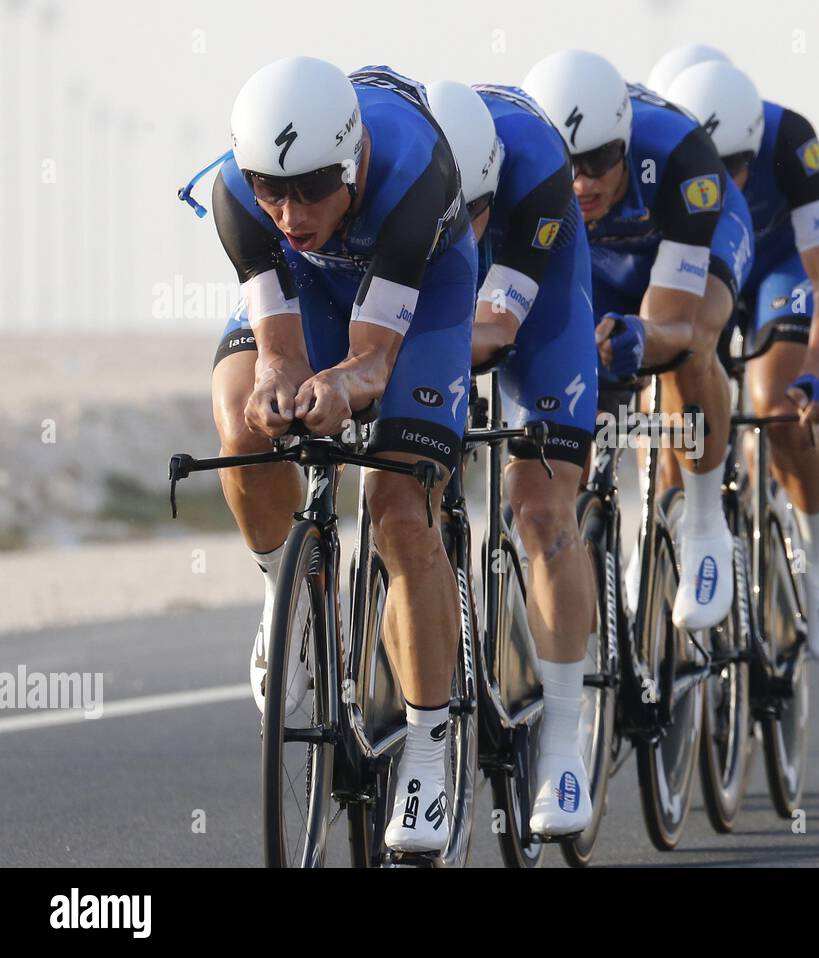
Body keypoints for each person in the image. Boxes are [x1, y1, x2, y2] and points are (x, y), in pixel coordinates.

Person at [193, 58, 475, 853]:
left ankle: (426, 746)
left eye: (312, 188)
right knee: (246, 429)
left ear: (353, 160)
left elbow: (372, 363)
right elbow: (278, 351)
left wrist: (342, 387)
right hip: (309, 285)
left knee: (398, 510)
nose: (288, 210)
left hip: (423, 295)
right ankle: (283, 595)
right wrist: (279, 386)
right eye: (271, 190)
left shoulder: (417, 170)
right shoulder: (236, 197)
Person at [523, 50, 754, 631]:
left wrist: (641, 336)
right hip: (597, 257)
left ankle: (704, 521)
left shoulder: (681, 155)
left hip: (689, 235)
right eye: (564, 165)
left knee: (689, 350)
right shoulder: (521, 166)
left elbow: (674, 327)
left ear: (624, 143)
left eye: (598, 161)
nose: (580, 182)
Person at [425, 80, 598, 836]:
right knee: (397, 484)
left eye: (474, 218)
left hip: (537, 297)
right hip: (422, 278)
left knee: (537, 504)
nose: (466, 233)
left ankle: (563, 736)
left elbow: (496, 326)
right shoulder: (397, 176)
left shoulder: (536, 172)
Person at [658, 53, 819, 663]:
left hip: (775, 270)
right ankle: (672, 549)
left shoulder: (791, 140)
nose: (722, 183)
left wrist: (816, 379)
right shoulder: (658, 144)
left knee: (776, 409)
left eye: (737, 168)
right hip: (698, 263)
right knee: (671, 408)